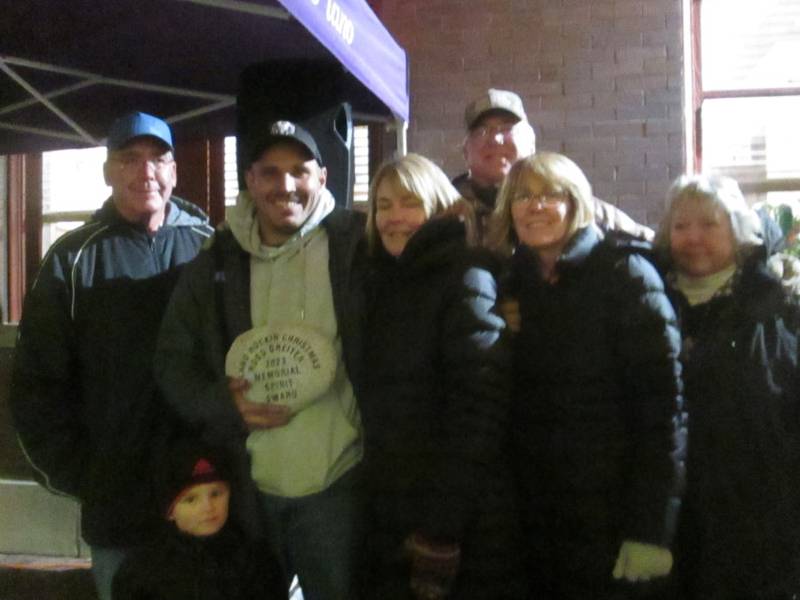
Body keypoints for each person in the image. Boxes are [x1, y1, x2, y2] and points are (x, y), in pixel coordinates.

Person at [154, 120, 366, 600]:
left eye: (299, 171)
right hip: (246, 493)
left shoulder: (356, 247)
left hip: (336, 487)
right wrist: (221, 405)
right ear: (249, 180)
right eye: (269, 172)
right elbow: (171, 360)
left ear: (323, 178)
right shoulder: (216, 262)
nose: (284, 185)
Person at [9, 111, 213, 600]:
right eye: (130, 159)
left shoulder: (212, 249)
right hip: (119, 504)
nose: (146, 172)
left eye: (158, 159)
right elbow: (36, 384)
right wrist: (81, 474)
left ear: (174, 172)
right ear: (108, 172)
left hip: (206, 494)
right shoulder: (72, 259)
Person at [490, 151, 685, 599]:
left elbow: (664, 411)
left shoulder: (625, 275)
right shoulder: (512, 283)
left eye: (549, 195)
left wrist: (650, 528)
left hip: (612, 516)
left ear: (576, 202)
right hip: (538, 517)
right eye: (522, 196)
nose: (534, 206)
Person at [360, 153, 526, 600]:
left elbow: (480, 410)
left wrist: (441, 527)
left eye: (409, 203)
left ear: (437, 207)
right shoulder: (385, 281)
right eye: (383, 205)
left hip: (460, 525)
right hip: (398, 511)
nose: (394, 217)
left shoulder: (465, 276)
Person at [655, 174, 800, 600]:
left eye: (709, 224)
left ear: (738, 230)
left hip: (758, 525)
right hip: (667, 527)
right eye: (681, 226)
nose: (693, 237)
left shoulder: (780, 309)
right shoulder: (648, 299)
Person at [452, 88, 653, 243]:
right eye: (482, 131)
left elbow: (652, 245)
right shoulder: (444, 209)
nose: (495, 140)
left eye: (507, 129)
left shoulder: (575, 205)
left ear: (531, 144)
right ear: (465, 151)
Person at [112, 438, 287, 600]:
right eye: (190, 499)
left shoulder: (257, 563)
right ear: (170, 511)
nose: (208, 507)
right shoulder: (141, 573)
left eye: (216, 494)